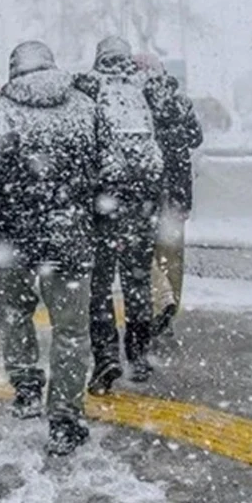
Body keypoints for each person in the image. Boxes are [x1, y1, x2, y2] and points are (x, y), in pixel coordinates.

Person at [0, 41, 104, 456]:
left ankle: (27, 389)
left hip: (13, 240)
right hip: (69, 234)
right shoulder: (85, 107)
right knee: (71, 330)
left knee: (16, 314)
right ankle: (65, 418)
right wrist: (96, 220)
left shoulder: (2, 111)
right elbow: (111, 171)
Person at [74, 36, 164, 392]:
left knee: (99, 287)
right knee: (137, 283)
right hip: (143, 201)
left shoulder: (89, 89)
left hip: (104, 202)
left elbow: (82, 145)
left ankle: (106, 356)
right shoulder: (145, 89)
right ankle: (139, 355)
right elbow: (181, 131)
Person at [132, 54, 203, 339]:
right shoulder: (179, 100)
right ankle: (169, 310)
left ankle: (159, 302)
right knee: (171, 257)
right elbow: (196, 138)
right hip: (176, 191)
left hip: (145, 191)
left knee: (142, 253)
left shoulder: (136, 103)